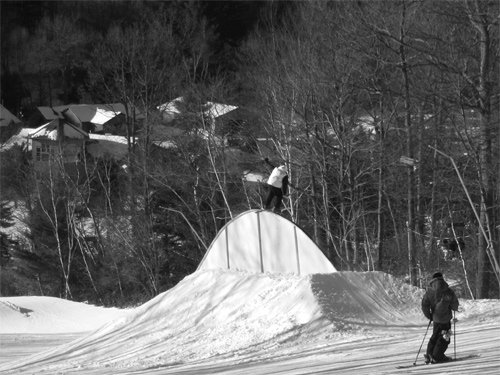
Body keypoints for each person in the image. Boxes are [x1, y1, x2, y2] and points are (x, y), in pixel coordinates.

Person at [421, 272, 459, 364]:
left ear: (432, 279)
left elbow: (424, 305)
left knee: (435, 336)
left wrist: (429, 316)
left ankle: (429, 354)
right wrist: (453, 307)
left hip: (436, 318)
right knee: (444, 338)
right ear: (442, 278)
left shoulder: (429, 291)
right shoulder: (448, 290)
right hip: (446, 318)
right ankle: (437, 356)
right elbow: (455, 304)